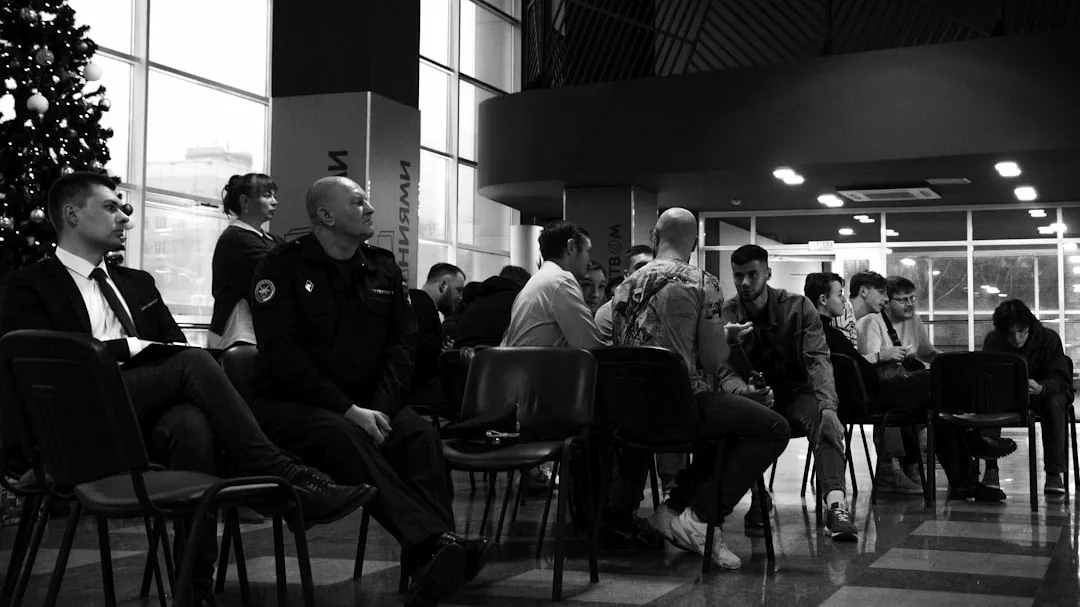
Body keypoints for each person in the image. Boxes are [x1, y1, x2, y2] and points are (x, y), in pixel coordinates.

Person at [0, 173, 376, 604]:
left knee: (191, 422)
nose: (125, 215)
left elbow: (172, 345)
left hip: (136, 425)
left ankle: (194, 579)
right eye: (110, 207)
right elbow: (35, 369)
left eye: (124, 207)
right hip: (73, 424)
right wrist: (121, 349)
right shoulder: (28, 286)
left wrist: (134, 351)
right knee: (195, 363)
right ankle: (284, 475)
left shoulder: (137, 284)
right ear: (71, 214)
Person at [248, 176, 490, 606]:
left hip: (371, 403)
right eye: (358, 202)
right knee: (345, 434)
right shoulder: (281, 266)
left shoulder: (381, 267)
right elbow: (283, 358)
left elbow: (402, 346)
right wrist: (348, 410)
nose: (371, 210)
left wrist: (378, 408)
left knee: (418, 435)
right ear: (325, 215)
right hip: (296, 405)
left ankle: (433, 557)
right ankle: (436, 544)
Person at [612, 209, 789, 569]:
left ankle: (672, 509)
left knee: (732, 426)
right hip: (683, 410)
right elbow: (711, 361)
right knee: (773, 427)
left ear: (653, 234)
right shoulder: (701, 282)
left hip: (628, 416)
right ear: (693, 242)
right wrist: (725, 340)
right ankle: (702, 517)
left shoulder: (623, 287)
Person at [805, 272, 1007, 502]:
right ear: (823, 300)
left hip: (866, 393)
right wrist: (887, 363)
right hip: (868, 397)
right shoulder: (830, 334)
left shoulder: (821, 332)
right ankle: (969, 454)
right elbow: (860, 368)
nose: (844, 300)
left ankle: (964, 477)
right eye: (839, 294)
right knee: (935, 383)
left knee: (936, 399)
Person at [718, 245, 857, 541]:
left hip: (796, 392)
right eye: (738, 275)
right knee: (738, 422)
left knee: (824, 419)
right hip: (752, 395)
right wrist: (744, 392)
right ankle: (758, 497)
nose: (745, 282)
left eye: (752, 274)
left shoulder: (798, 306)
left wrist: (829, 407)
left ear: (767, 273)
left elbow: (818, 359)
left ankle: (836, 505)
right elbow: (723, 371)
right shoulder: (726, 313)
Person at [982, 299, 1074, 494]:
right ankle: (990, 468)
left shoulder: (1049, 339)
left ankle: (1054, 473)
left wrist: (1041, 387)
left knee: (1055, 401)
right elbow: (985, 375)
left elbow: (1061, 379)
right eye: (1010, 334)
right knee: (986, 400)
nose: (1016, 339)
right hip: (1005, 397)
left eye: (1021, 331)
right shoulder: (994, 340)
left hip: (1042, 395)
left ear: (1029, 326)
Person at [208, 173, 286, 350]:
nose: (275, 201)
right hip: (240, 335)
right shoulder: (235, 238)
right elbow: (281, 273)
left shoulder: (272, 239)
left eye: (274, 195)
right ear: (245, 202)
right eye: (267, 195)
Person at [501, 220, 604, 349]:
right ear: (571, 247)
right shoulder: (560, 281)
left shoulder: (539, 280)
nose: (589, 262)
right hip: (540, 367)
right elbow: (590, 345)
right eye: (587, 251)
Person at [409, 263, 466, 403]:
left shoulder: (412, 302)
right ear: (443, 285)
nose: (460, 298)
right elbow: (424, 361)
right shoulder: (424, 309)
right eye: (458, 290)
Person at [454, 265, 531, 348]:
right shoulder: (519, 300)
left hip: (459, 357)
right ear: (523, 285)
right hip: (497, 358)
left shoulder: (475, 301)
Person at [595, 245, 654, 343]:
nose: (648, 272)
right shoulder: (608, 313)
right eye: (641, 268)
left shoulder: (661, 305)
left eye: (653, 267)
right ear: (627, 275)